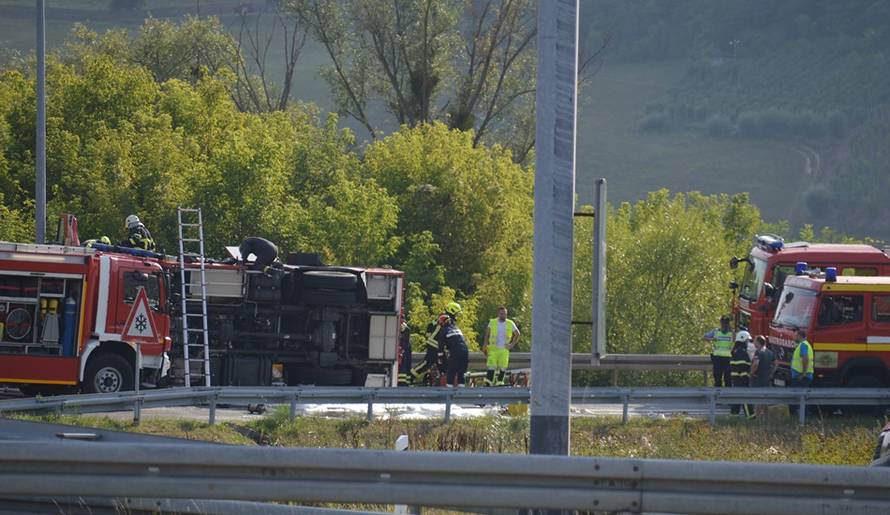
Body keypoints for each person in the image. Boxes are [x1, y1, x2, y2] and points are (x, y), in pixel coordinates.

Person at [482, 306, 520, 386]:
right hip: (493, 348)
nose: (503, 315)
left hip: (504, 349)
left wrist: (512, 344)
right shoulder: (492, 322)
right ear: (498, 314)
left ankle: (499, 382)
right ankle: (489, 382)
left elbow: (517, 334)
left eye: (505, 314)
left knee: (503, 366)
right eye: (502, 313)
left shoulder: (510, 323)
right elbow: (487, 334)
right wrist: (485, 345)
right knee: (491, 366)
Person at [410, 312, 449, 385]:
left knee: (443, 366)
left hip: (437, 350)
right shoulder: (438, 326)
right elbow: (430, 339)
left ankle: (442, 382)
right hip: (433, 350)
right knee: (426, 364)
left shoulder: (437, 325)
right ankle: (411, 376)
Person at [435, 302, 469, 387]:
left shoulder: (444, 331)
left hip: (455, 352)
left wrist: (440, 358)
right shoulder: (456, 328)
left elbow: (440, 346)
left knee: (451, 372)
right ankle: (461, 395)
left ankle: (448, 397)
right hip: (465, 351)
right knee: (461, 374)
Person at [789, 328, 814, 416]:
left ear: (799, 336)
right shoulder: (803, 345)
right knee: (801, 398)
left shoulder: (803, 345)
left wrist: (803, 373)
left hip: (801, 377)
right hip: (802, 376)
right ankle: (802, 416)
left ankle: (802, 417)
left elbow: (805, 358)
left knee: (799, 398)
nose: (793, 337)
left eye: (795, 335)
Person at [704, 315, 733, 387]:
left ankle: (726, 395)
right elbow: (705, 337)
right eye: (723, 323)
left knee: (726, 379)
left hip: (726, 358)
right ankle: (719, 395)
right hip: (720, 358)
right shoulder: (716, 331)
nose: (724, 324)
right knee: (719, 378)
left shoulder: (732, 333)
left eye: (725, 323)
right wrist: (712, 339)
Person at [729, 331, 754, 418]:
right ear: (743, 340)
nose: (748, 343)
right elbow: (742, 367)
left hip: (736, 379)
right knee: (745, 398)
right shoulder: (741, 352)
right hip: (741, 379)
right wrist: (746, 377)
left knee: (736, 398)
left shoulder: (736, 351)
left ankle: (733, 416)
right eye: (747, 341)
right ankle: (750, 416)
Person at [750, 335, 775, 419]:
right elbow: (776, 363)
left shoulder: (759, 352)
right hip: (766, 378)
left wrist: (752, 373)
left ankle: (757, 416)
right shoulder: (770, 352)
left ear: (758, 342)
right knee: (765, 398)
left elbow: (756, 364)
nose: (753, 342)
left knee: (757, 398)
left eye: (755, 340)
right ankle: (765, 417)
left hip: (758, 378)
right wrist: (771, 373)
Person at [397, 322, 412, 386]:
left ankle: (402, 383)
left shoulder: (402, 326)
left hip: (403, 349)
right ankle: (406, 383)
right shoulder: (406, 327)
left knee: (403, 366)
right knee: (406, 366)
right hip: (406, 349)